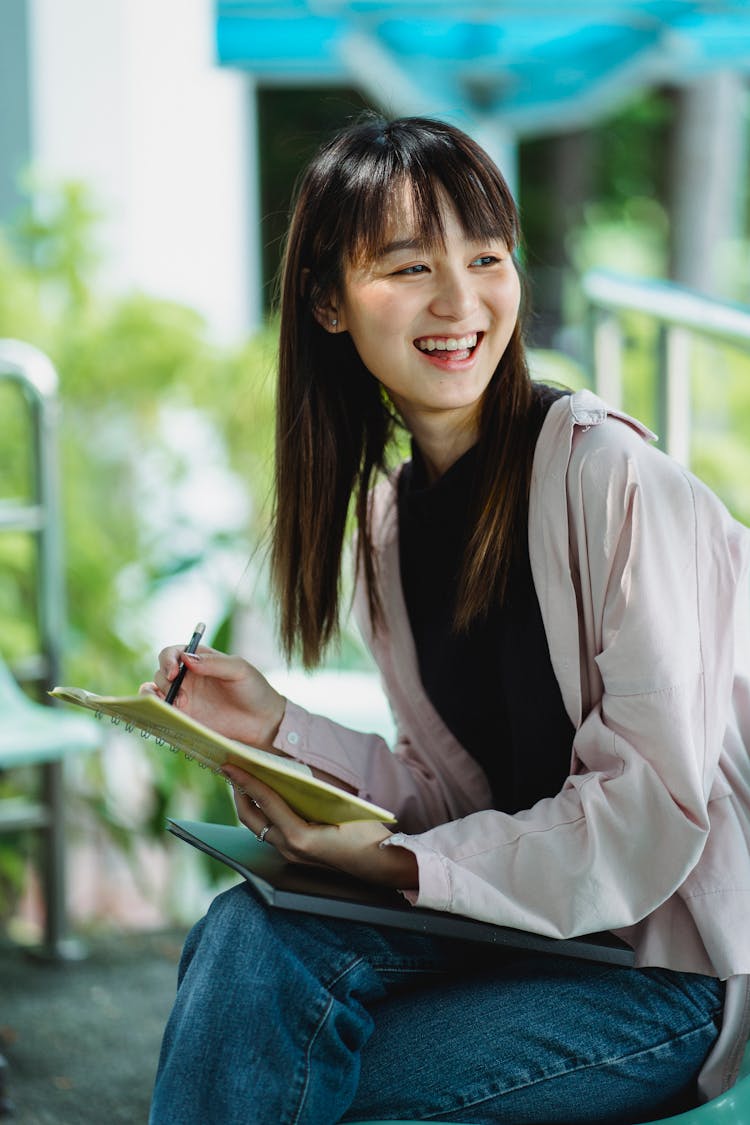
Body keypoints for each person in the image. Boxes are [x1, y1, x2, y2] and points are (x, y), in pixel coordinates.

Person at [145, 116, 750, 1125]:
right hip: (522, 931)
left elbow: (646, 815)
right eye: (410, 265)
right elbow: (456, 795)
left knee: (271, 1058)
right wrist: (279, 729)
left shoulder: (617, 483)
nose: (460, 301)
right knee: (248, 937)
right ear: (329, 302)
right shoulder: (391, 522)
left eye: (486, 257)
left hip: (666, 975)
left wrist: (382, 863)